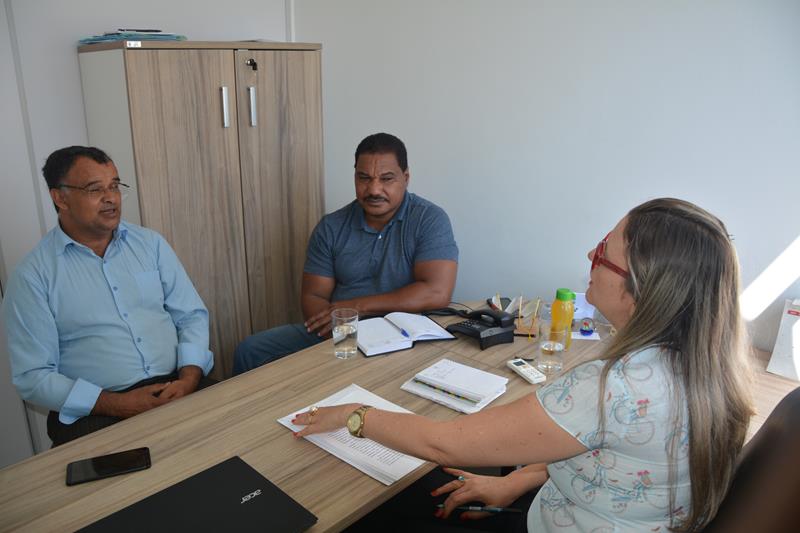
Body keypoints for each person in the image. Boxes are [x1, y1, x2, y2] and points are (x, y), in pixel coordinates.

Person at [292, 198, 755, 532]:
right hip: (585, 509)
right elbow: (597, 451)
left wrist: (353, 415)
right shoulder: (710, 369)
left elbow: (443, 443)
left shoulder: (611, 387)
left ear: (641, 289)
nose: (589, 257)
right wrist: (517, 481)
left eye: (603, 252)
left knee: (382, 511)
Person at [2, 146, 214, 446]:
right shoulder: (33, 277)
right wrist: (118, 404)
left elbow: (191, 315)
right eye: (95, 189)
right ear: (60, 198)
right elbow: (33, 376)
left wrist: (189, 377)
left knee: (245, 436)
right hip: (97, 409)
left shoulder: (150, 245)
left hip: (177, 383)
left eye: (114, 186)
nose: (111, 198)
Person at [233, 133, 459, 373]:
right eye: (364, 178)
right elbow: (313, 296)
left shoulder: (429, 219)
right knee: (250, 350)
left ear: (406, 178)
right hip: (342, 332)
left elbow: (436, 292)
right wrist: (344, 336)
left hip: (404, 334)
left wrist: (358, 306)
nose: (374, 189)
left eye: (386, 179)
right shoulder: (331, 227)